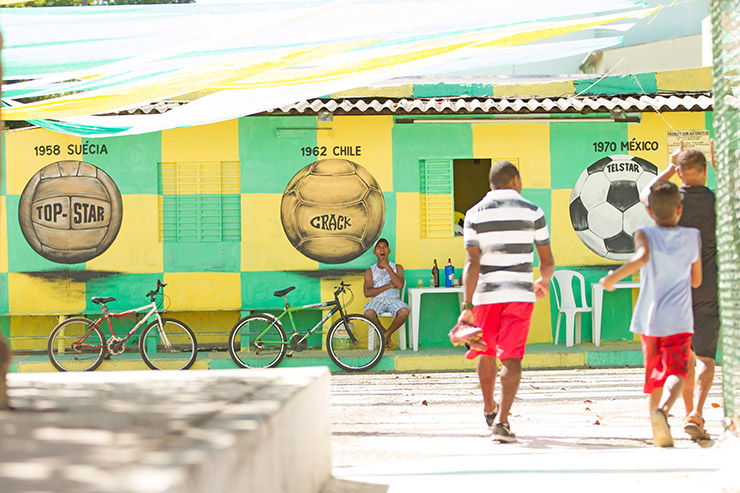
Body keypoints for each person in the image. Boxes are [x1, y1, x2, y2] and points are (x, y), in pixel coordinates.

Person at [457, 160, 554, 443]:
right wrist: (543, 282)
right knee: (511, 358)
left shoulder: (474, 214)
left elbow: (471, 263)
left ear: (491, 185)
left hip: (486, 295)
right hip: (520, 295)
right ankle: (502, 421)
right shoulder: (534, 212)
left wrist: (467, 306)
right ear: (515, 181)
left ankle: (489, 408)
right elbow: (547, 261)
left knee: (485, 352)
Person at [601, 180, 702, 447]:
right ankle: (664, 412)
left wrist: (612, 279)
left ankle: (655, 428)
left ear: (649, 211)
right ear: (680, 209)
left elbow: (642, 258)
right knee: (679, 370)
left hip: (649, 319)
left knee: (655, 374)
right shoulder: (692, 236)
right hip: (679, 319)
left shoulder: (643, 233)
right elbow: (696, 281)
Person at [640, 141, 718, 442]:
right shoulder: (715, 201)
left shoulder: (672, 201)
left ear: (683, 174)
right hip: (708, 284)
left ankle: (677, 411)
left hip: (674, 288)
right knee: (705, 357)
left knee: (682, 353)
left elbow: (646, 193)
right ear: (703, 170)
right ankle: (695, 413)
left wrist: (670, 166)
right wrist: (719, 167)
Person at [363, 238, 410, 350]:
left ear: (388, 251)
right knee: (368, 314)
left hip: (393, 300)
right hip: (377, 301)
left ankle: (384, 336)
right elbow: (367, 292)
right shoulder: (370, 271)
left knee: (404, 311)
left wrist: (387, 267)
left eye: (384, 247)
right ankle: (386, 336)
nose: (382, 249)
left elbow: (399, 285)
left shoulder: (397, 267)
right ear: (375, 252)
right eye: (379, 248)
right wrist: (388, 286)